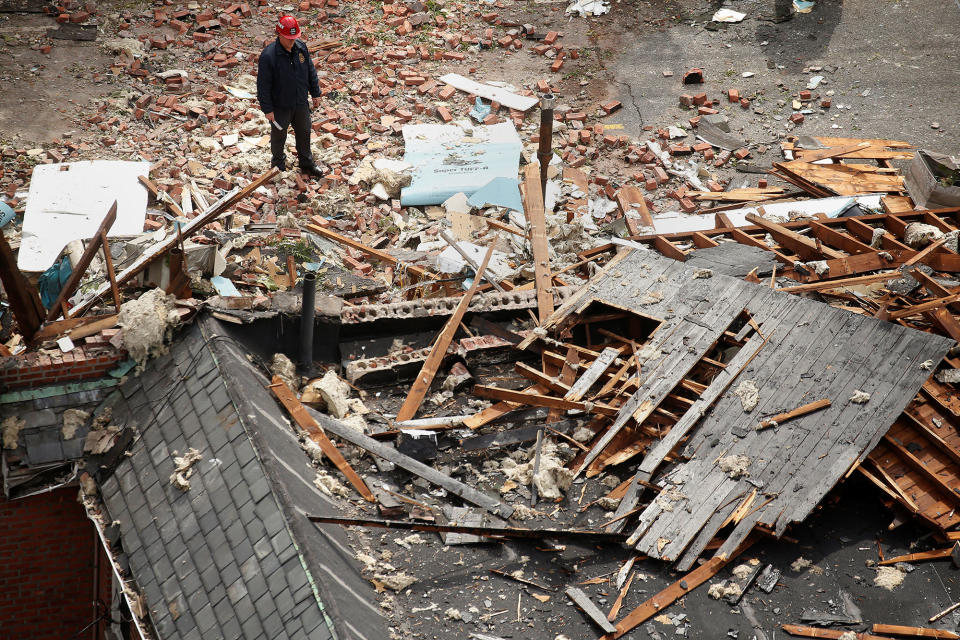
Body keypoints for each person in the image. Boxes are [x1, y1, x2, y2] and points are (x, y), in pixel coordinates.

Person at [256, 15, 324, 177]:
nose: (292, 41)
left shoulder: (300, 48)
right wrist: (267, 109)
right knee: (279, 136)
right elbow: (263, 85)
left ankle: (306, 163)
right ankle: (278, 165)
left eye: (294, 38)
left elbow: (310, 71)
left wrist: (316, 93)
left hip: (300, 102)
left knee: (304, 132)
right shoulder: (268, 56)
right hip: (280, 105)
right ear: (279, 34)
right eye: (288, 38)